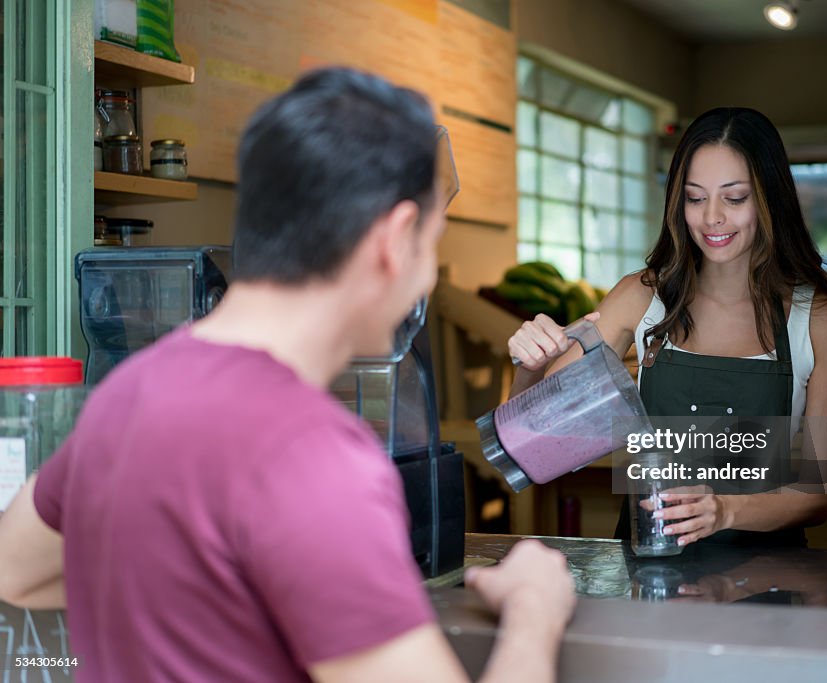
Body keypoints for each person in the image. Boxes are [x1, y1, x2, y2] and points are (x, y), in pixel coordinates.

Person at [0, 68, 575, 682]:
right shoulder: (315, 456)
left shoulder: (126, 393)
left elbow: (18, 570)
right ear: (395, 239)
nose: (426, 277)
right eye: (431, 243)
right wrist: (533, 609)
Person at [508, 106, 827, 548]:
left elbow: (824, 493)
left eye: (734, 198)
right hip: (647, 572)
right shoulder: (641, 298)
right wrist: (529, 366)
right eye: (695, 197)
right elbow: (534, 446)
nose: (712, 217)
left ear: (771, 199)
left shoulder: (822, 320)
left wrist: (725, 510)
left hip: (767, 582)